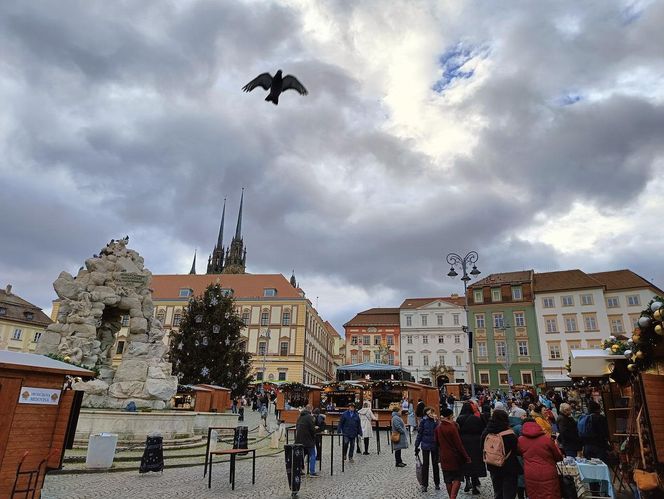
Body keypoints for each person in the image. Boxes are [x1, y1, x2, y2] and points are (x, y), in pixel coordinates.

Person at [518, 418, 563, 499]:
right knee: (551, 494)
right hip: (548, 472)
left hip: (530, 472)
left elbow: (519, 453)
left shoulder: (520, 440)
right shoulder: (547, 439)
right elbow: (558, 457)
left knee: (534, 494)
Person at [482, 409, 521, 499]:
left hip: (493, 465)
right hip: (509, 466)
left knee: (498, 491)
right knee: (509, 492)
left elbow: (482, 447)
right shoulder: (509, 434)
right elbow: (516, 450)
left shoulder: (486, 432)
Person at [436, 407, 470, 499]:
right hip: (454, 457)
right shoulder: (452, 427)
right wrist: (466, 457)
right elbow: (459, 445)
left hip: (444, 456)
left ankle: (451, 496)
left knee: (447, 479)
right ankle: (452, 497)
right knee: (457, 477)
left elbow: (436, 442)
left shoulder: (438, 427)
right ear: (450, 416)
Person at [456, 402, 487, 495]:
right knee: (474, 463)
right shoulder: (476, 418)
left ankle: (467, 482)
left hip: (463, 442)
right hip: (475, 443)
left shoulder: (459, 419)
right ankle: (474, 486)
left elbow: (457, 431)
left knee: (465, 463)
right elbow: (482, 430)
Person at [414, 406, 440, 492]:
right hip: (425, 445)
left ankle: (437, 483)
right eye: (429, 413)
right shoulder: (423, 421)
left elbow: (439, 432)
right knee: (425, 465)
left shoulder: (436, 421)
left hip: (434, 445)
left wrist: (437, 421)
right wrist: (416, 445)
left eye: (432, 412)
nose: (431, 414)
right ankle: (424, 485)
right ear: (426, 414)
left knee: (435, 465)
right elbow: (420, 434)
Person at [295, 405, 319, 477]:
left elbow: (297, 426)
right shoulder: (310, 417)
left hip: (299, 439)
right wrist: (315, 431)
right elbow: (312, 429)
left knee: (301, 455)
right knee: (313, 455)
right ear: (311, 410)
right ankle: (312, 472)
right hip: (308, 440)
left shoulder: (299, 417)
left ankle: (300, 470)